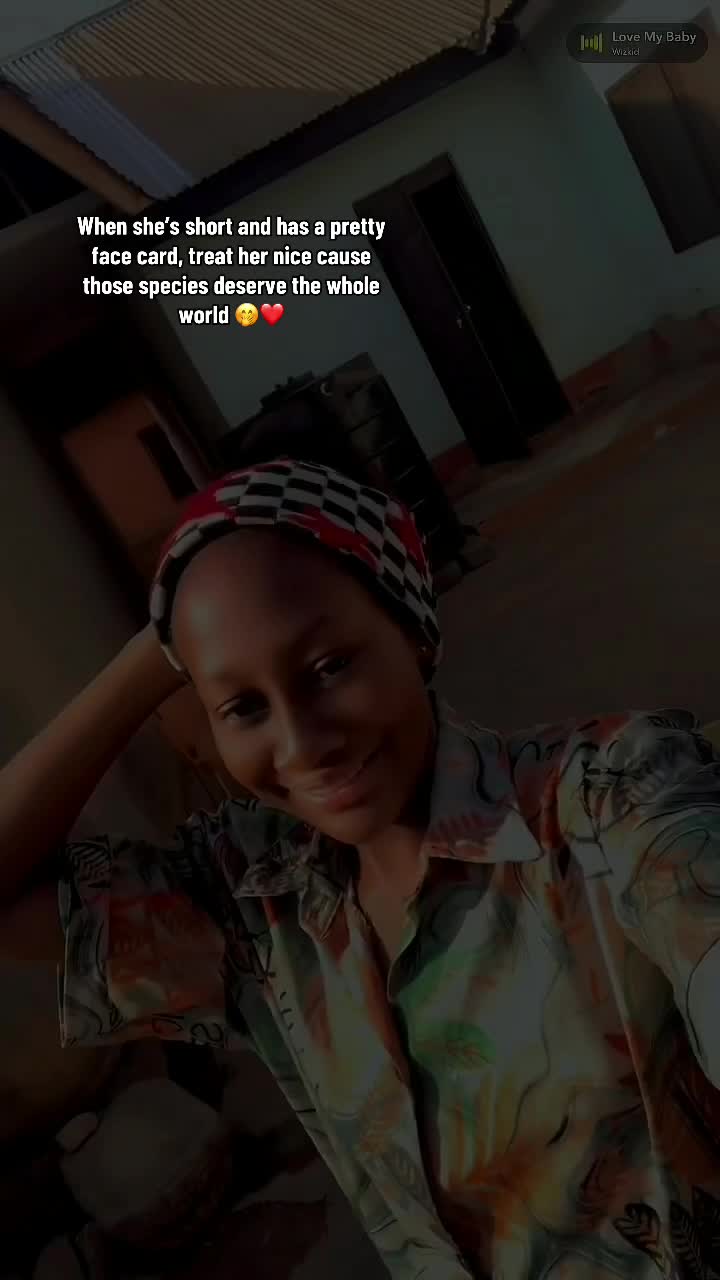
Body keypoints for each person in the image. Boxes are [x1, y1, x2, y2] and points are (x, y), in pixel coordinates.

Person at [3, 456, 720, 1280]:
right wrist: (159, 645)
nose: (302, 745)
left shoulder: (606, 793)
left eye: (329, 667)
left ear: (414, 633)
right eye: (243, 706)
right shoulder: (253, 904)